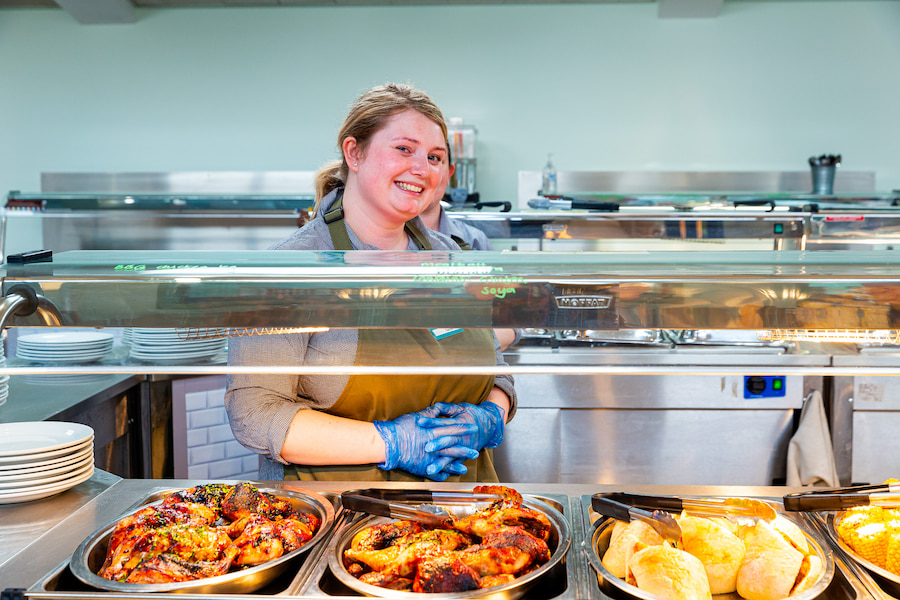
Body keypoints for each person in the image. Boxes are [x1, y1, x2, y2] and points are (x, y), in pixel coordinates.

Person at [225, 83, 516, 483]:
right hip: (337, 518)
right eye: (404, 149)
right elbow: (255, 413)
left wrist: (489, 415)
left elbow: (495, 368)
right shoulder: (290, 268)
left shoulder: (452, 259)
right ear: (354, 152)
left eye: (435, 157)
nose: (422, 168)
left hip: (465, 515)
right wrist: (392, 441)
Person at [419, 146, 520, 351]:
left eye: (434, 159)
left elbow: (510, 322)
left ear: (449, 173)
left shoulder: (473, 242)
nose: (423, 171)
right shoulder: (377, 239)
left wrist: (454, 350)